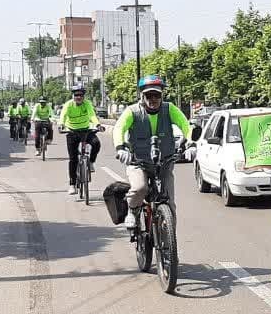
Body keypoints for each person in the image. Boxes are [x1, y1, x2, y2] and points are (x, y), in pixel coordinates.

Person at [112, 75, 191, 227]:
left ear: (162, 96)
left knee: (170, 203)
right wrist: (120, 148)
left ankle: (169, 237)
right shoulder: (132, 111)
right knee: (140, 188)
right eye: (149, 95)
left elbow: (186, 125)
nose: (153, 99)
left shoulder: (169, 109)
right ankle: (132, 211)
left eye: (157, 95)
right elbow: (119, 129)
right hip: (138, 162)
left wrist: (191, 144)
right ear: (142, 96)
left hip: (165, 162)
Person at [58, 85, 104, 195]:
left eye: (81, 95)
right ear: (73, 96)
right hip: (72, 132)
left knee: (96, 143)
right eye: (76, 95)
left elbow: (92, 115)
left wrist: (98, 125)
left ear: (84, 96)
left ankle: (91, 162)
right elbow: (63, 116)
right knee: (73, 159)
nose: (78, 97)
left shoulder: (87, 104)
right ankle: (72, 184)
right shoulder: (68, 105)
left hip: (86, 130)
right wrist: (61, 125)